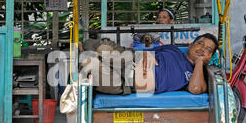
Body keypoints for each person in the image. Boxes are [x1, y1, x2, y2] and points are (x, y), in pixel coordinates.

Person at [79, 33, 218, 95]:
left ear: (210, 58)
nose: (202, 49)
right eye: (200, 44)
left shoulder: (199, 76)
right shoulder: (174, 50)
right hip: (132, 60)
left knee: (93, 69)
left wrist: (199, 62)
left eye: (208, 50)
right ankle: (84, 50)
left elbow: (195, 88)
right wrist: (147, 54)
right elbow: (147, 51)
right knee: (100, 46)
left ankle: (85, 59)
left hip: (128, 84)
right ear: (190, 46)